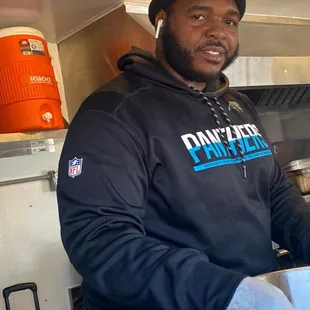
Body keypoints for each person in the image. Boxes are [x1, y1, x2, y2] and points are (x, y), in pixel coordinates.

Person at [56, 0, 310, 309]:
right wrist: (227, 293)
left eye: (230, 22)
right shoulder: (113, 113)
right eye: (199, 16)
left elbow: (274, 192)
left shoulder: (239, 105)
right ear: (162, 21)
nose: (218, 32)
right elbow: (100, 241)